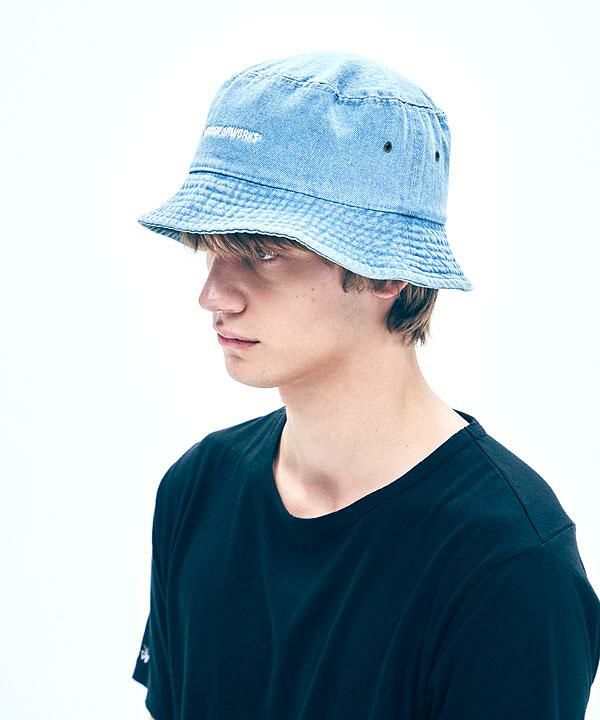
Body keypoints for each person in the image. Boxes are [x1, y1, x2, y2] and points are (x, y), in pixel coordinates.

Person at [131, 51, 600, 719]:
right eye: (211, 248)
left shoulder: (508, 566)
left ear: (388, 272)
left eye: (263, 253)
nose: (214, 295)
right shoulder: (198, 490)